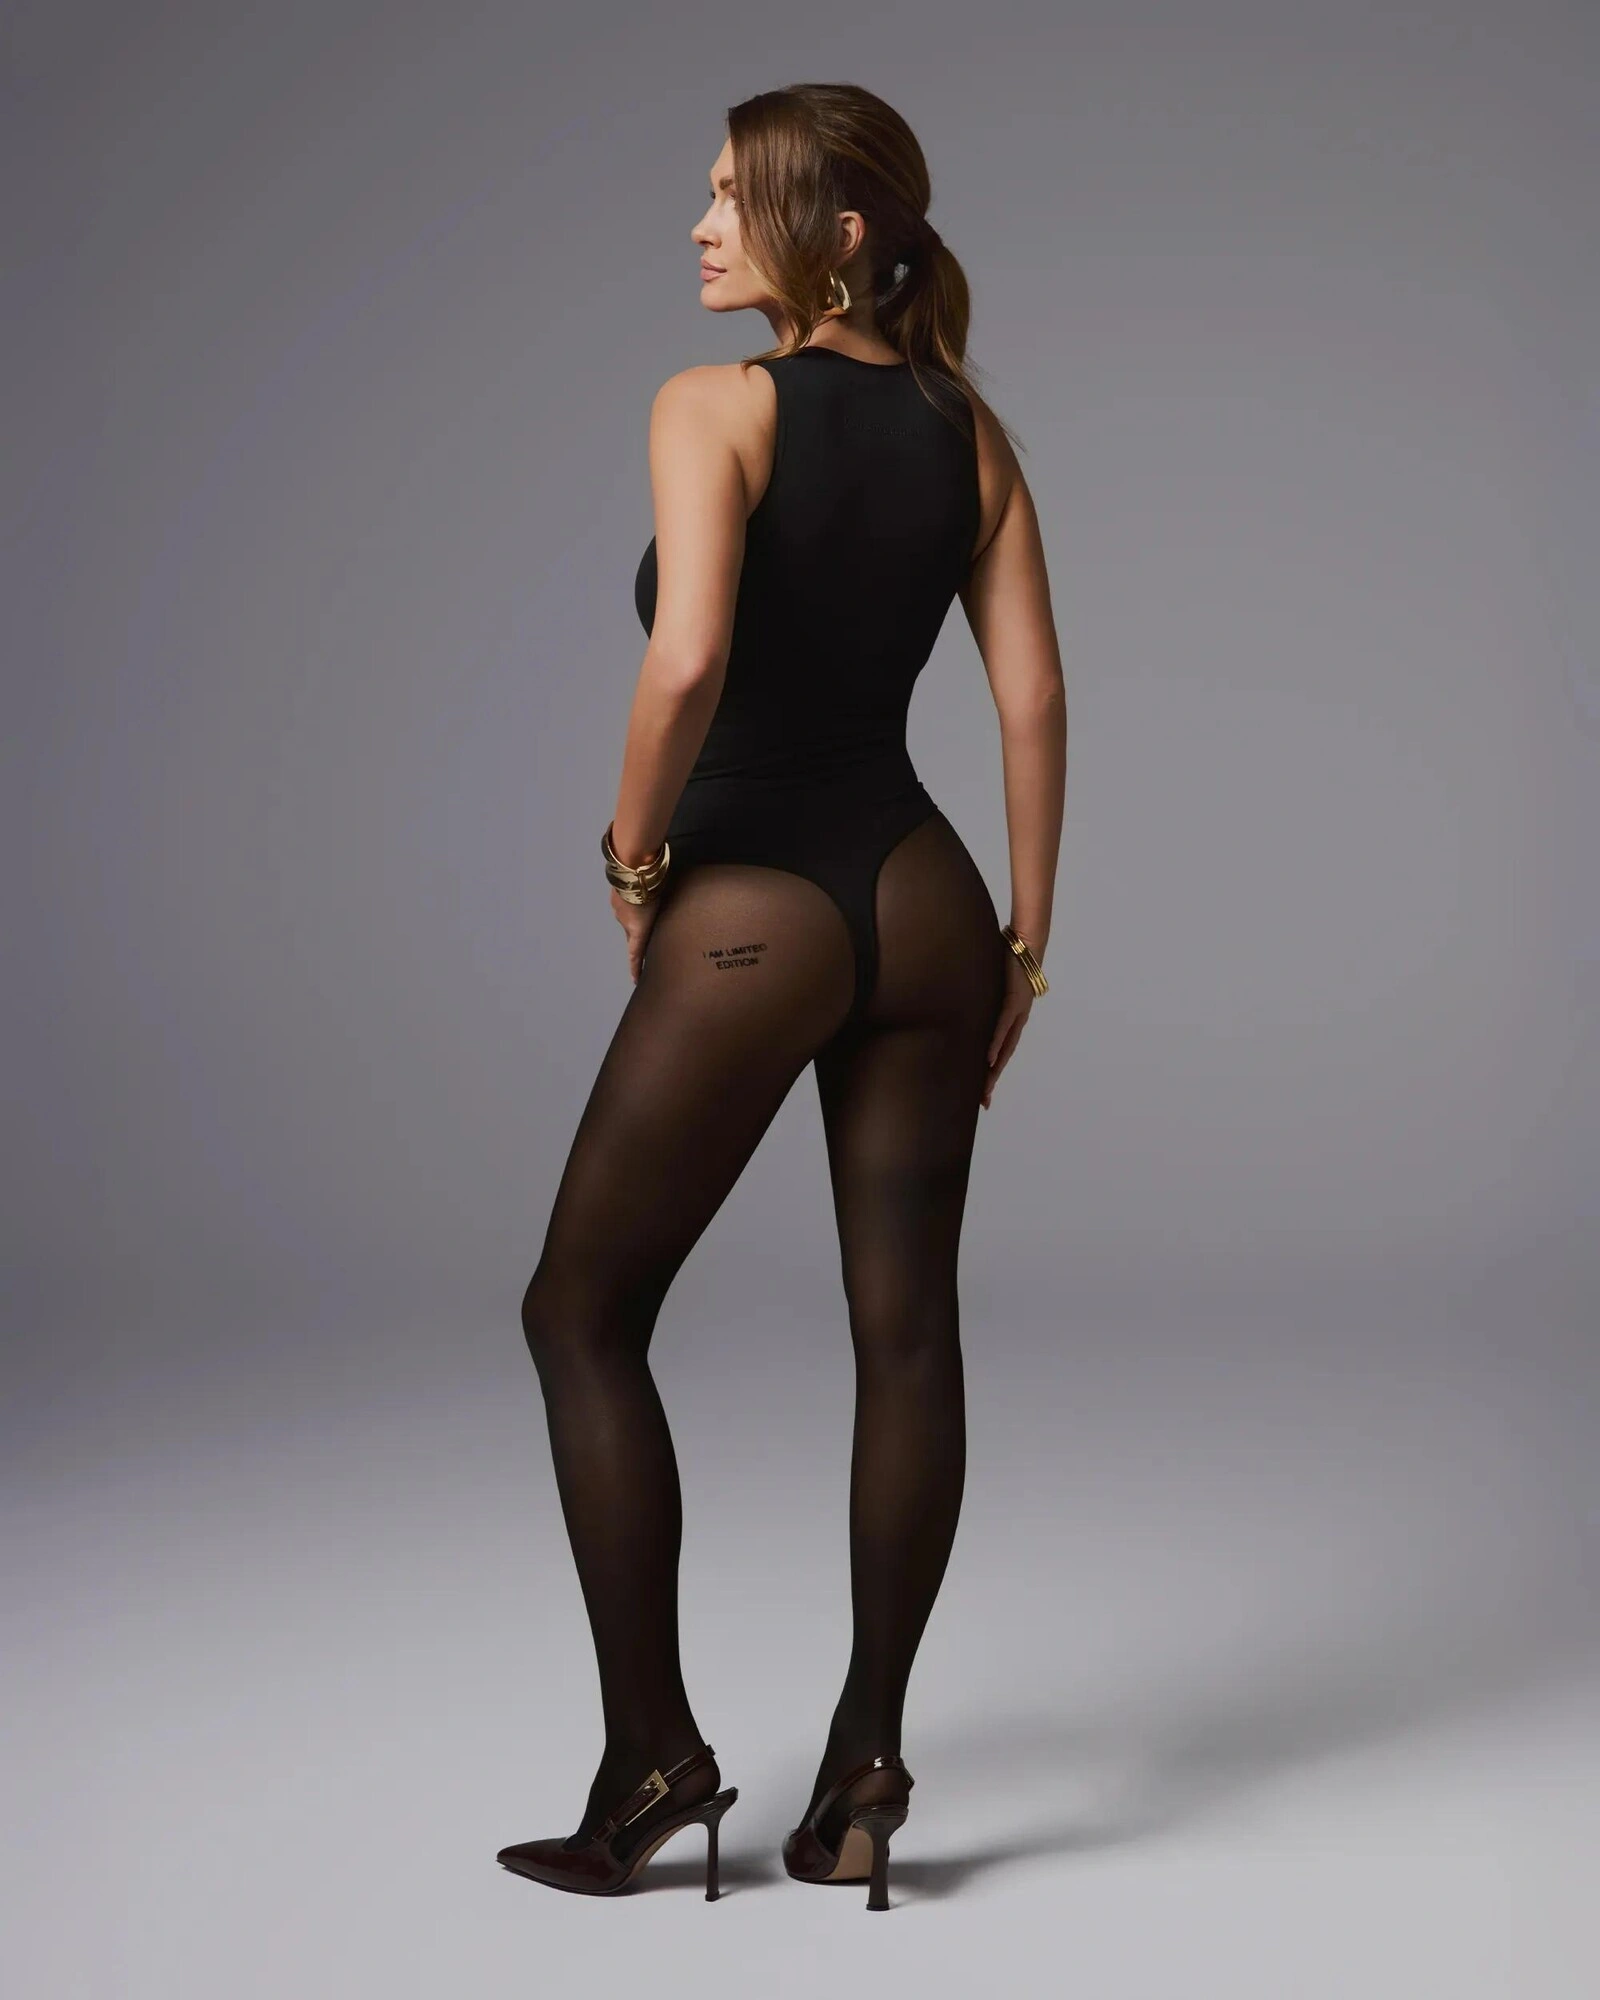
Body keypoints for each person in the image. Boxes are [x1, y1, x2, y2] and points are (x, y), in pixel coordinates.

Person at [496, 81, 1066, 1911]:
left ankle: (653, 1761)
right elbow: (1033, 702)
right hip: (925, 897)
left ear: (839, 228)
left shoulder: (713, 406)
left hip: (757, 907)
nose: (700, 224)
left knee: (580, 1312)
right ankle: (864, 1773)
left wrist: (632, 860)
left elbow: (687, 660)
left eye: (734, 196)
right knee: (907, 1334)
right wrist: (1028, 943)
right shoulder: (972, 435)